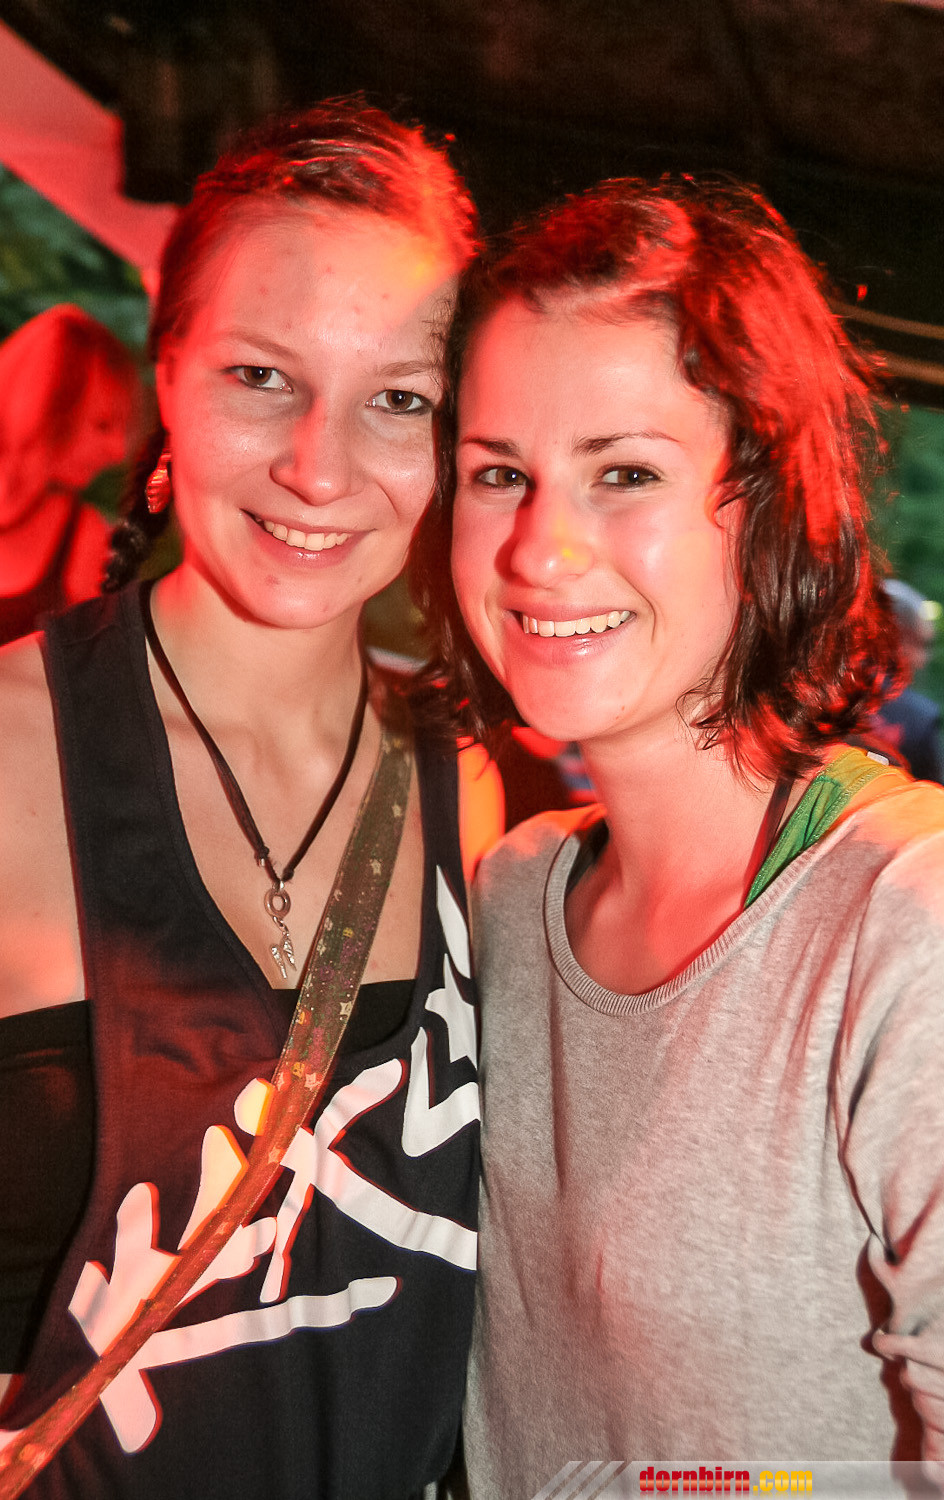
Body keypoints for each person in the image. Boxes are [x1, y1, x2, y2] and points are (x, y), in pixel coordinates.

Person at [0, 100, 486, 1499]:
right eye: (260, 375)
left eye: (398, 399)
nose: (319, 465)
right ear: (167, 374)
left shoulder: (478, 796)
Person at [412, 178, 944, 1489]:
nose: (540, 549)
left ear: (768, 505)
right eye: (499, 474)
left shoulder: (905, 916)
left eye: (626, 474)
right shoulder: (506, 898)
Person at [0, 305, 140, 667]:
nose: (118, 451)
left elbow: (94, 674)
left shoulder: (83, 539)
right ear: (40, 407)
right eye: (102, 424)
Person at [871, 577, 944, 783]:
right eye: (922, 644)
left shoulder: (822, 695)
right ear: (897, 636)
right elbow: (936, 794)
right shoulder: (919, 718)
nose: (923, 661)